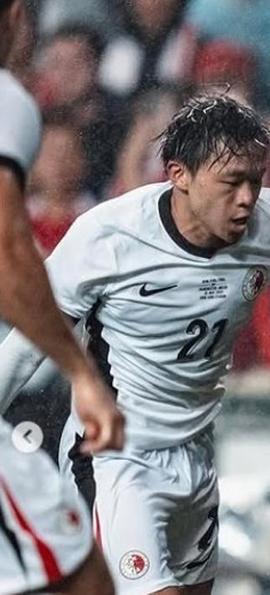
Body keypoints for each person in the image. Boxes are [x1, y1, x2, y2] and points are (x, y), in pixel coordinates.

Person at [0, 92, 270, 595]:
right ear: (179, 174)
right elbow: (29, 341)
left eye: (255, 180)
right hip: (118, 459)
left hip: (196, 456)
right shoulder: (108, 237)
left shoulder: (266, 224)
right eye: (231, 182)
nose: (247, 197)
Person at [0, 1, 124, 594]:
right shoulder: (8, 101)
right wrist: (82, 374)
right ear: (16, 18)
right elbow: (8, 258)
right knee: (83, 576)